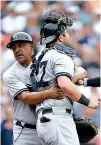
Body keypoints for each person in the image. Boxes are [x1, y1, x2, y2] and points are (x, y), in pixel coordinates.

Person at [32, 11, 100, 145]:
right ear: (60, 37)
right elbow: (64, 84)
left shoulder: (39, 57)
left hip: (43, 121)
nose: (68, 35)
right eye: (66, 33)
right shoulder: (60, 55)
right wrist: (88, 102)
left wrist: (80, 80)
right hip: (58, 118)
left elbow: (55, 82)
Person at [3, 32, 65, 145]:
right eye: (14, 48)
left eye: (21, 45)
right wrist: (49, 92)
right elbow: (26, 97)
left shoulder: (45, 62)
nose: (17, 50)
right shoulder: (10, 73)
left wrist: (68, 79)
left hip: (49, 126)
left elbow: (79, 72)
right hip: (25, 131)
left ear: (32, 47)